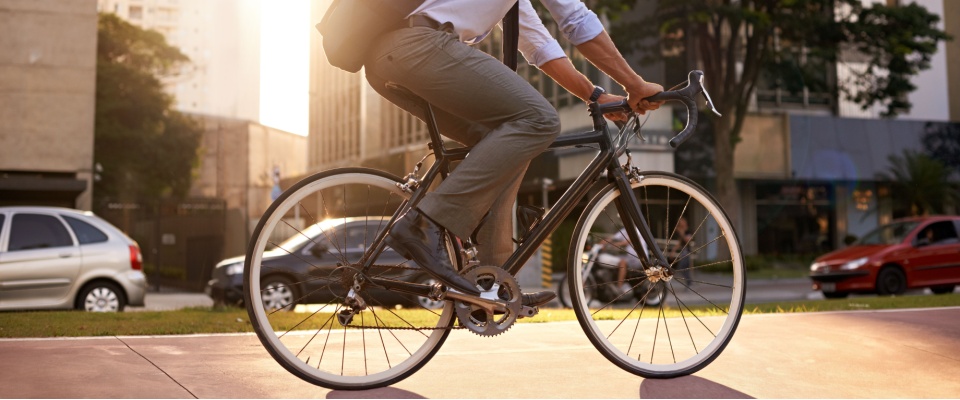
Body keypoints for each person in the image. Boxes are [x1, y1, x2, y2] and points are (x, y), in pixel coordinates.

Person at [374, 0, 664, 306]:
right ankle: (424, 223)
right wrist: (635, 84)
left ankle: (491, 286)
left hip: (392, 56)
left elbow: (538, 45)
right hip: (417, 46)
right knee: (540, 120)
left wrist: (596, 96)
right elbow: (576, 19)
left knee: (508, 141)